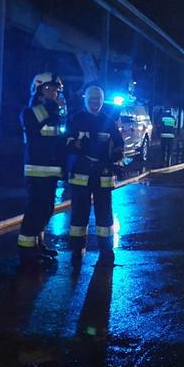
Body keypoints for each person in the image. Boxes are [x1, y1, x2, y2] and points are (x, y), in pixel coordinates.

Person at [66, 84, 124, 266]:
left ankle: (106, 250)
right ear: (85, 100)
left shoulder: (109, 121)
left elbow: (119, 145)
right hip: (81, 173)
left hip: (103, 175)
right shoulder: (76, 119)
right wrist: (74, 146)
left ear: (102, 100)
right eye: (91, 100)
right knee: (78, 214)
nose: (95, 103)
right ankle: (77, 249)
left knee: (105, 215)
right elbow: (65, 141)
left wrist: (116, 158)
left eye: (97, 100)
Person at [17, 73, 65, 264]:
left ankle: (37, 244)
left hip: (52, 172)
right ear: (38, 90)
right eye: (49, 89)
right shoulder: (30, 112)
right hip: (37, 172)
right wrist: (52, 107)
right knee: (36, 210)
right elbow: (33, 122)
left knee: (46, 210)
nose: (53, 93)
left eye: (56, 90)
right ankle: (27, 250)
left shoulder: (54, 114)